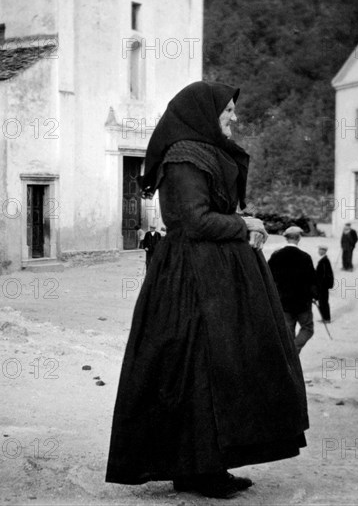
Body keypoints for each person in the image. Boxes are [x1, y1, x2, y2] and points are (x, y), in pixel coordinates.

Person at [106, 82, 308, 499]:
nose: (234, 117)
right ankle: (197, 469)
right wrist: (244, 225)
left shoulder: (203, 152)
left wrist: (243, 225)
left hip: (214, 277)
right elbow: (193, 222)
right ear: (203, 113)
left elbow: (214, 213)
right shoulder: (183, 159)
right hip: (190, 283)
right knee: (197, 370)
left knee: (220, 370)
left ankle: (205, 465)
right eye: (228, 110)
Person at [268, 226, 317, 354]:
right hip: (303, 302)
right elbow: (312, 280)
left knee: (288, 333)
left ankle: (291, 358)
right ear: (299, 238)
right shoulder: (305, 257)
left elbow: (268, 278)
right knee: (307, 329)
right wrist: (315, 296)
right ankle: (294, 352)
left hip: (283, 302)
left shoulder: (276, 256)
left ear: (286, 238)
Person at [315, 245, 334, 323]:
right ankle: (324, 317)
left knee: (323, 302)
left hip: (322, 286)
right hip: (322, 285)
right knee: (321, 302)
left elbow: (323, 275)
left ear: (323, 251)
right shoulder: (323, 260)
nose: (318, 251)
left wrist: (319, 284)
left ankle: (326, 318)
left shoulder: (324, 261)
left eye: (320, 250)